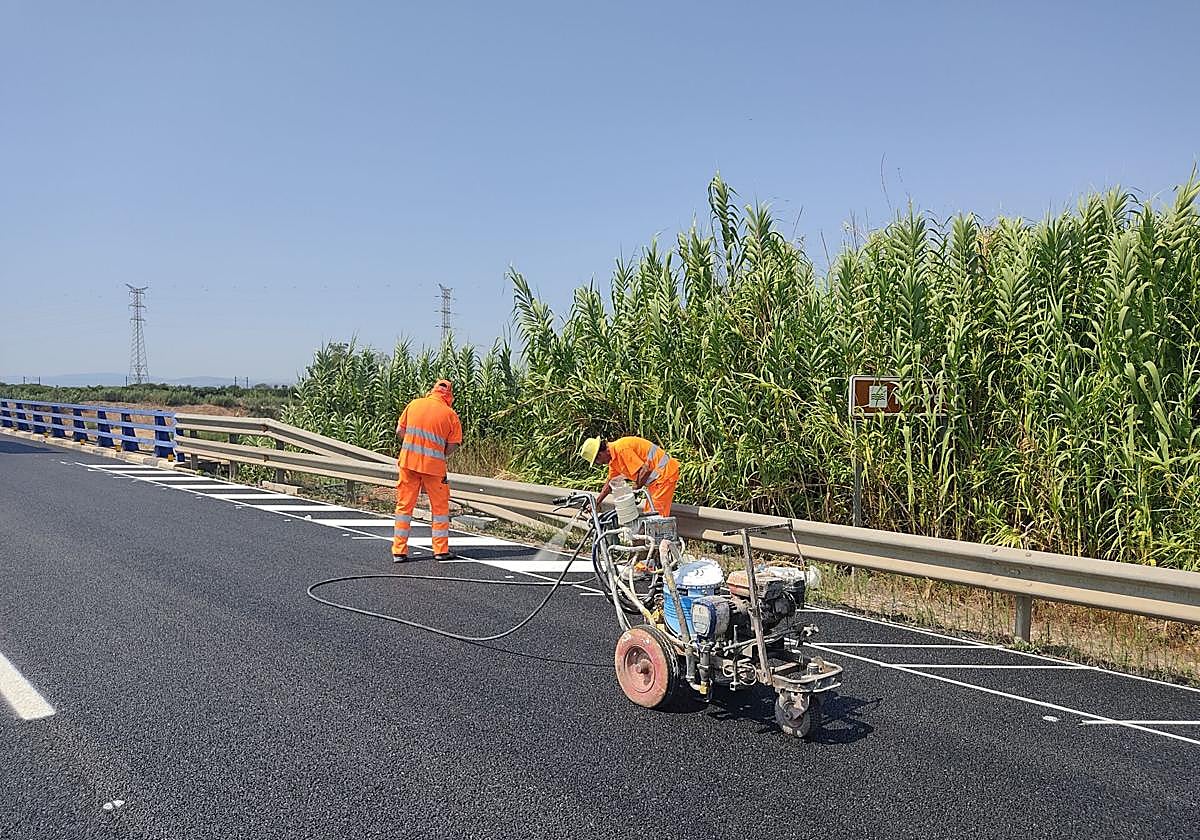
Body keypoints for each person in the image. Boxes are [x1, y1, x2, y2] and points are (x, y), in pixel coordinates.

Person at [392, 379, 462, 562]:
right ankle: (440, 550)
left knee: (404, 506)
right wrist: (438, 453)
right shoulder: (450, 414)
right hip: (434, 467)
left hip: (408, 463)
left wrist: (412, 446)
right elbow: (453, 445)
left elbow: (400, 431)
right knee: (439, 509)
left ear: (432, 391)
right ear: (448, 396)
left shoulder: (414, 405)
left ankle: (399, 550)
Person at [579, 435, 679, 517]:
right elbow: (610, 482)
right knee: (651, 514)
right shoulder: (613, 459)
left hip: (664, 476)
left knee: (655, 517)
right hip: (656, 481)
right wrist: (597, 502)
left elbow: (646, 469)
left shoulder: (622, 449)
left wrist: (636, 487)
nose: (601, 464)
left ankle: (659, 539)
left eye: (597, 462)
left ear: (599, 455)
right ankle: (655, 539)